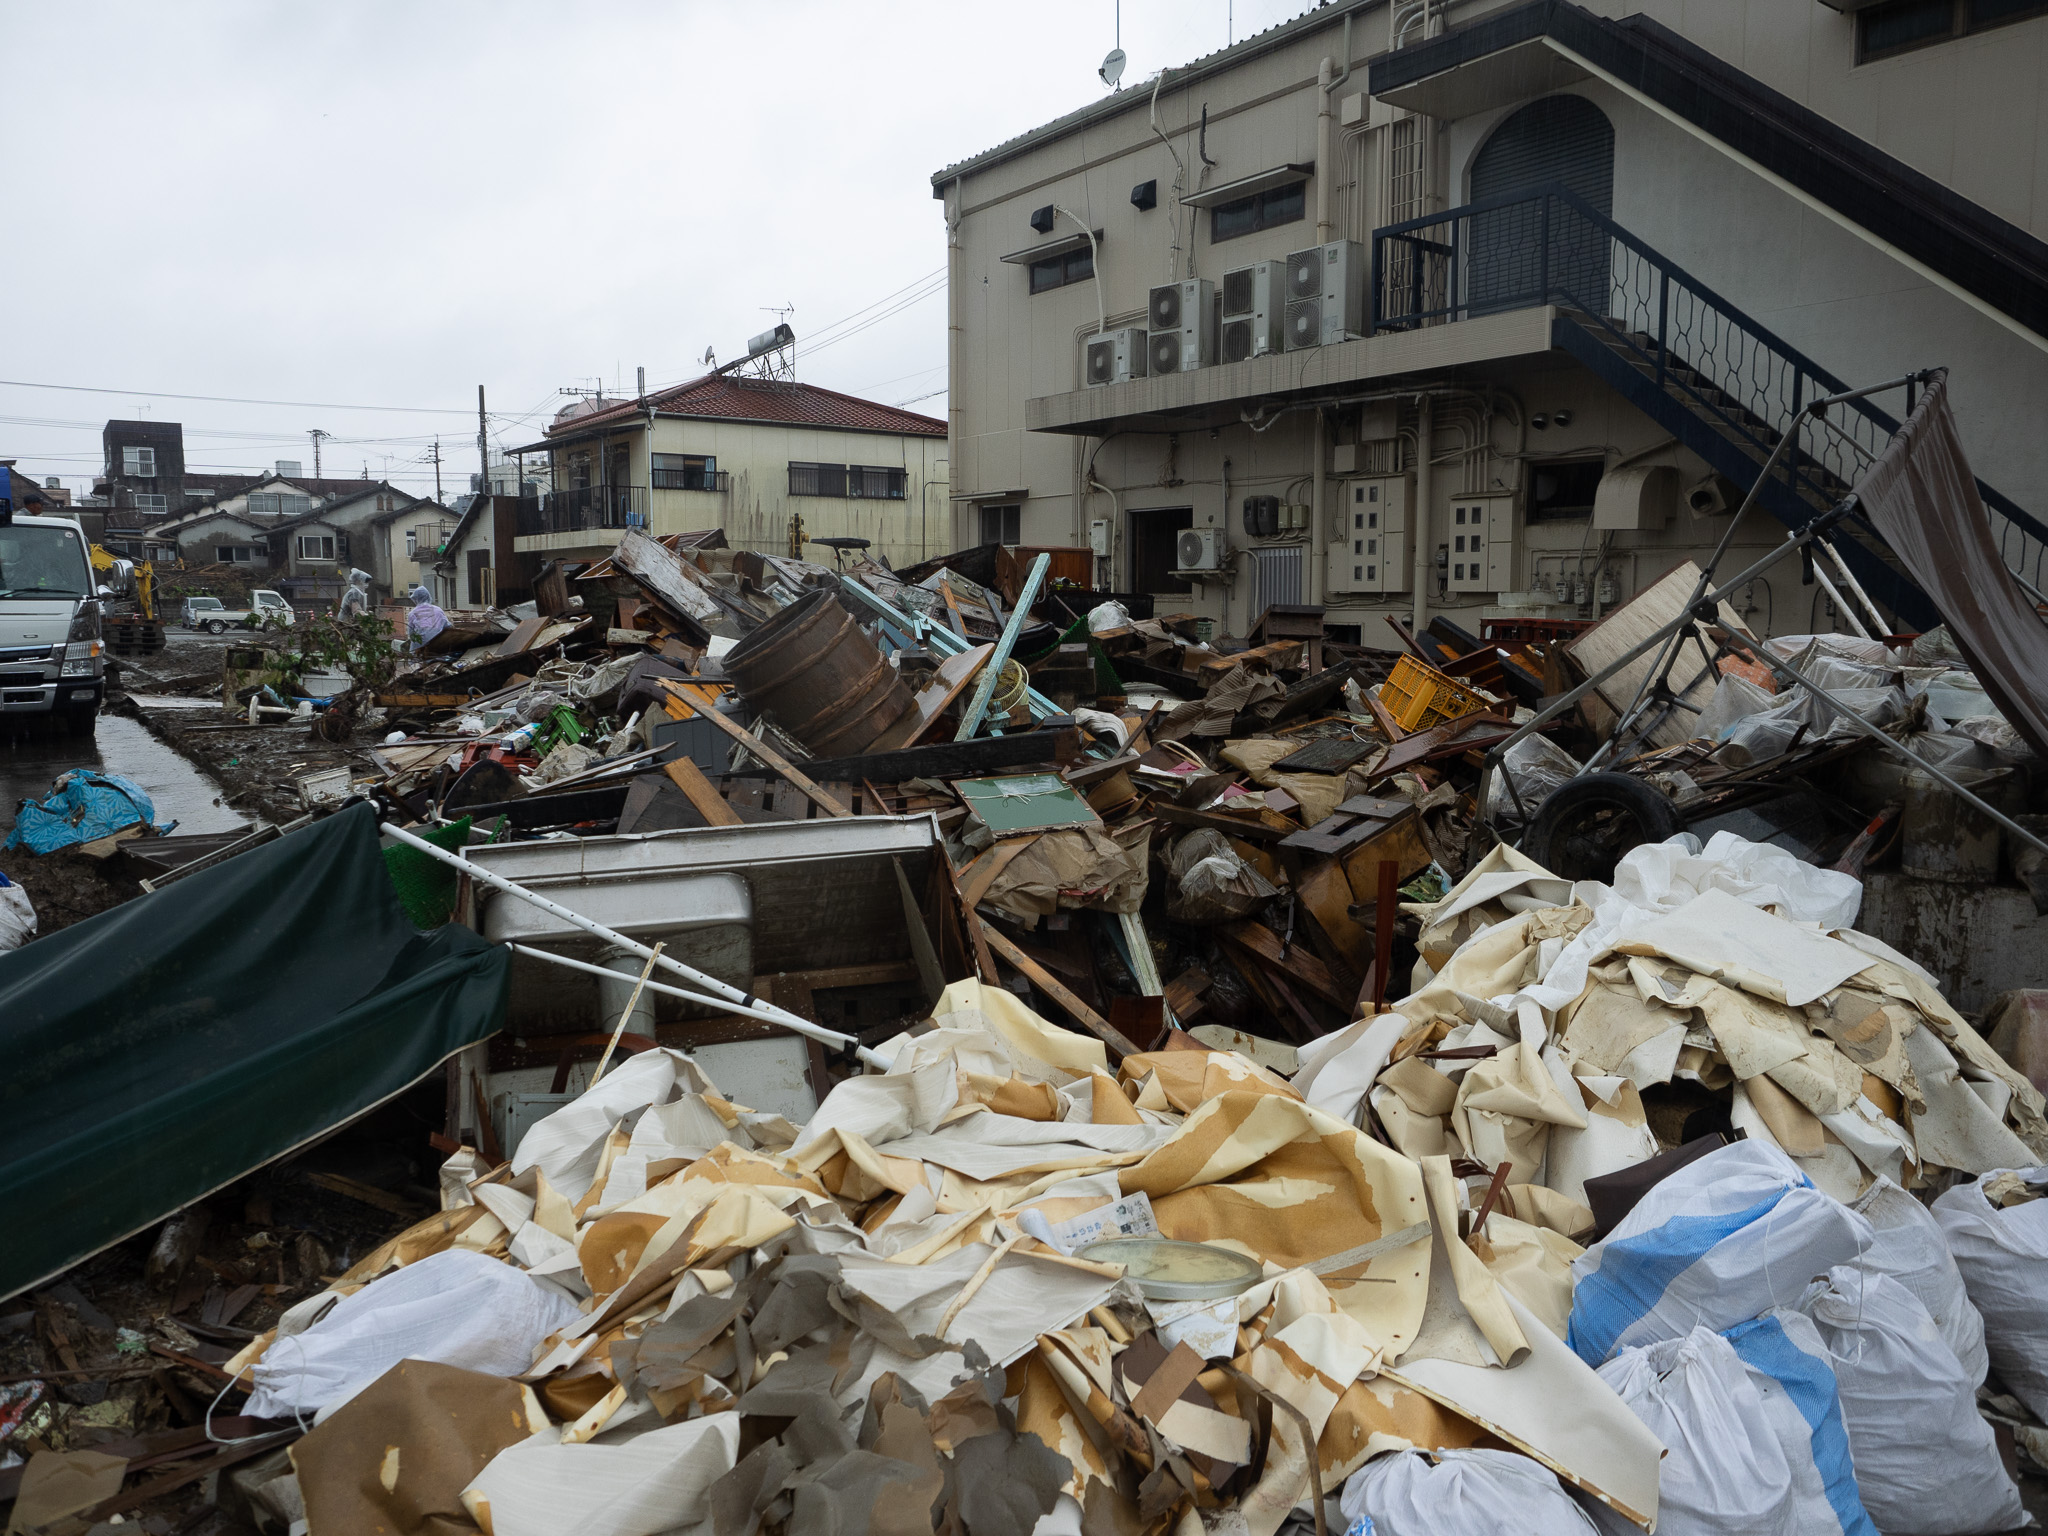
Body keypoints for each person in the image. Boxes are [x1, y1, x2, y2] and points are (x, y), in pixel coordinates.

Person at [406, 584, 448, 650]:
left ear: (416, 599)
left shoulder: (413, 613)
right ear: (428, 596)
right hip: (438, 644)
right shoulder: (438, 610)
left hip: (420, 646)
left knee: (413, 655)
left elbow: (411, 632)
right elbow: (447, 625)